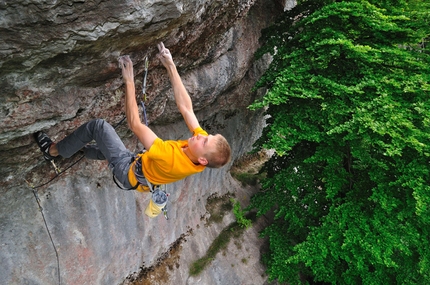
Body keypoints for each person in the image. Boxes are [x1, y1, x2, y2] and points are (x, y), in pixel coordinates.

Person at [35, 42, 231, 192]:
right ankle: (76, 150)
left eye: (204, 141)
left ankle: (51, 151)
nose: (201, 135)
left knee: (99, 127)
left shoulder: (170, 158)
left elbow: (134, 124)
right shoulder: (200, 151)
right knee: (106, 148)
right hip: (140, 167)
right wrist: (170, 66)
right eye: (207, 135)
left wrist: (129, 81)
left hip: (127, 172)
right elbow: (186, 108)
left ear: (204, 160)